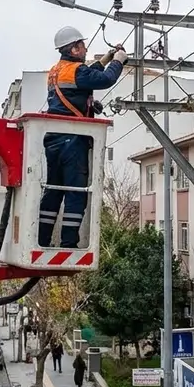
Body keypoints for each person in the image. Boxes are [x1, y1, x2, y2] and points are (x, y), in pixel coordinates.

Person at [39, 26, 126, 249]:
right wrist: (118, 61)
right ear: (75, 48)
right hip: (73, 141)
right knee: (76, 192)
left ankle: (42, 239)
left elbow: (86, 75)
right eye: (83, 45)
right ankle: (69, 242)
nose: (86, 49)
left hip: (53, 139)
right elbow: (104, 79)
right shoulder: (77, 72)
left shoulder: (56, 71)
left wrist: (106, 58)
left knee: (54, 190)